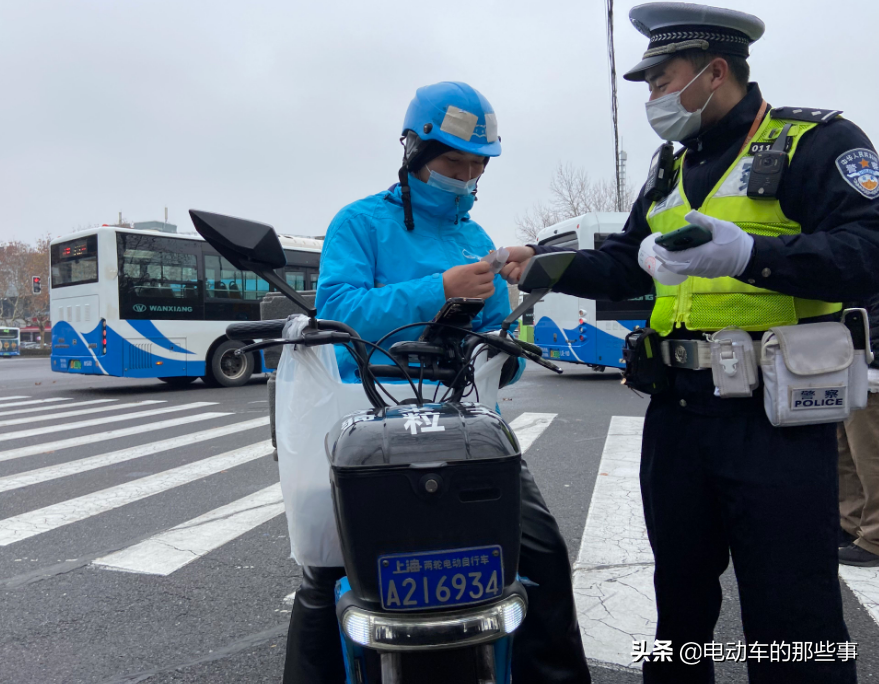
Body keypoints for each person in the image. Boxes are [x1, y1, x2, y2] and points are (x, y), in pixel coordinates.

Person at [502, 4, 879, 683]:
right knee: (677, 604)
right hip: (677, 414)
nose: (651, 96)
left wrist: (751, 256)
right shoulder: (670, 164)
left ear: (713, 72)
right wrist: (536, 262)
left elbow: (867, 251)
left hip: (776, 422)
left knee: (791, 611)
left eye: (658, 78)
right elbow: (624, 261)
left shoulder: (814, 142)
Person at [282, 81, 592, 684]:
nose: (467, 175)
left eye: (478, 165)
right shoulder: (360, 223)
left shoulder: (477, 239)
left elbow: (501, 345)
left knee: (544, 552)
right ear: (416, 151)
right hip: (367, 420)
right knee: (324, 569)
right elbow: (337, 310)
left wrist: (504, 346)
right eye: (455, 162)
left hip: (466, 423)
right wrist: (440, 290)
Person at [838, 293, 879, 567]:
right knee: (846, 453)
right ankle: (851, 525)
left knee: (870, 458)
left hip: (870, 365)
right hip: (849, 363)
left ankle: (875, 538)